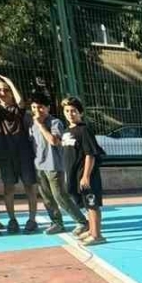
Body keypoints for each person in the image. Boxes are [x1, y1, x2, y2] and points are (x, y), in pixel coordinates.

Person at [28, 92, 88, 236]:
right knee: (47, 198)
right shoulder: (32, 124)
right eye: (34, 107)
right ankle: (57, 223)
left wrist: (41, 125)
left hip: (54, 165)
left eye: (40, 107)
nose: (37, 111)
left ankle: (82, 221)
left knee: (60, 196)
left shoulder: (55, 123)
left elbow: (54, 141)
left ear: (47, 108)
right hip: (39, 166)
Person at [0, 74, 37, 233]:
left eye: (6, 90)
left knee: (30, 187)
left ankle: (32, 219)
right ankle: (12, 220)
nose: (3, 93)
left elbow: (20, 101)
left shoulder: (18, 110)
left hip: (24, 154)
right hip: (6, 155)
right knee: (9, 189)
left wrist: (9, 81)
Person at [61, 97, 106, 245]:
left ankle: (97, 235)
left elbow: (90, 154)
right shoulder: (67, 131)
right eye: (67, 111)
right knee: (86, 205)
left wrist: (86, 176)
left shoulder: (84, 130)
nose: (70, 114)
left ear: (80, 112)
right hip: (74, 175)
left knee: (92, 204)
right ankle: (91, 230)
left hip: (86, 176)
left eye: (73, 111)